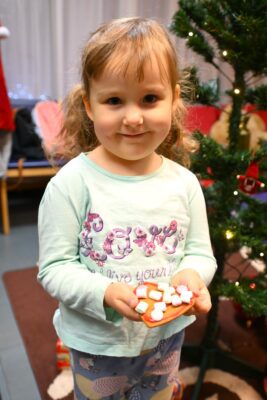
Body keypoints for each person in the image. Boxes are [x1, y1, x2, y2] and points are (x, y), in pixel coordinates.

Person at [38, 17, 217, 400]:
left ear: (173, 99)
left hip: (164, 339)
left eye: (150, 99)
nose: (133, 117)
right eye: (114, 100)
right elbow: (55, 268)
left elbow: (200, 252)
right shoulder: (71, 185)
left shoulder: (184, 184)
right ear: (89, 105)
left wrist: (191, 274)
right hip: (96, 345)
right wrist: (104, 291)